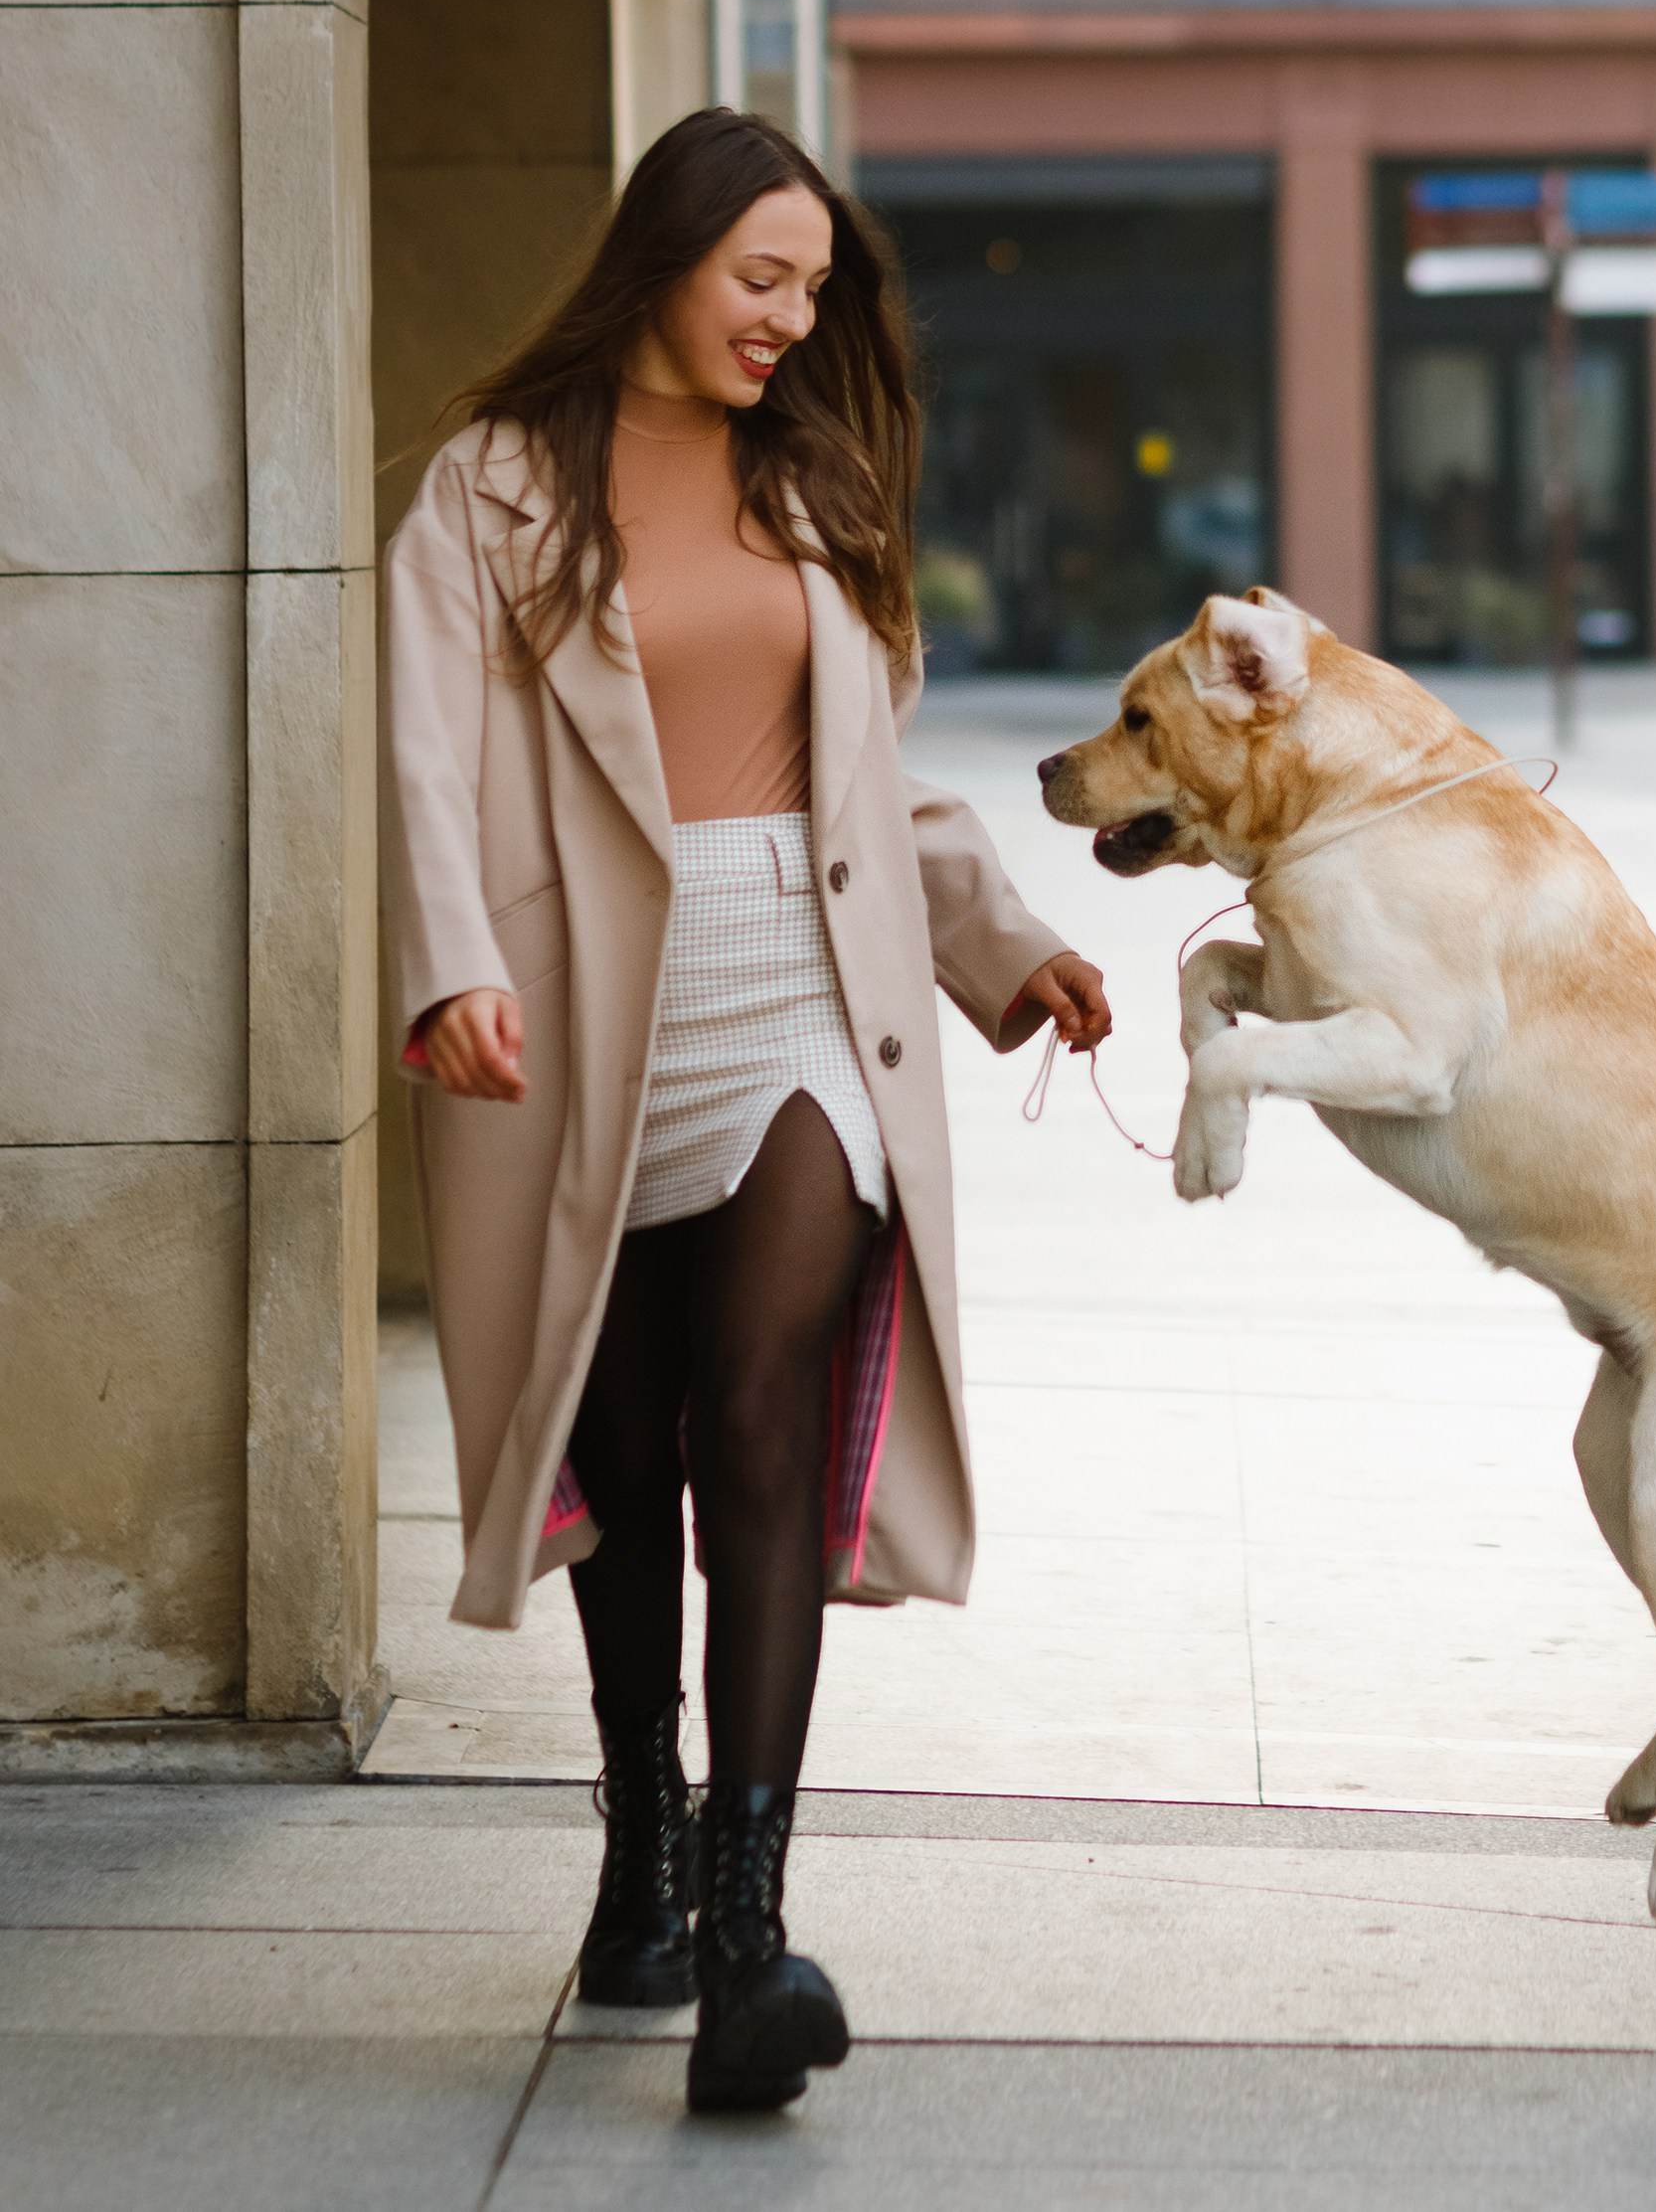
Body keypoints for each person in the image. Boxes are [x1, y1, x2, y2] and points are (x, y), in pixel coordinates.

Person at [381, 108, 1109, 2114]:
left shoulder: (816, 484)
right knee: (621, 1442)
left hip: (806, 986)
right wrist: (449, 965)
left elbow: (871, 777)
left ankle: (748, 1935)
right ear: (666, 259)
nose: (790, 320)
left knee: (764, 1411)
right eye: (758, 279)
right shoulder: (491, 487)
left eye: (813, 288)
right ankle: (643, 1840)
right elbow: (426, 755)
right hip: (585, 1005)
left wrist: (1002, 944)